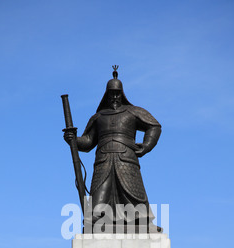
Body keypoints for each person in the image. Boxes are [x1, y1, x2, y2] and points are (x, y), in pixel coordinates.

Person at [63, 67, 162, 232]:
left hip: (126, 158)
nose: (114, 97)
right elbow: (88, 142)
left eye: (117, 93)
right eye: (111, 94)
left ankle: (141, 222)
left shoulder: (133, 111)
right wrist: (73, 141)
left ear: (122, 94)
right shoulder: (99, 117)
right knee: (99, 197)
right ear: (106, 95)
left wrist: (146, 146)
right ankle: (98, 222)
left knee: (133, 193)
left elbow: (154, 126)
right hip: (103, 160)